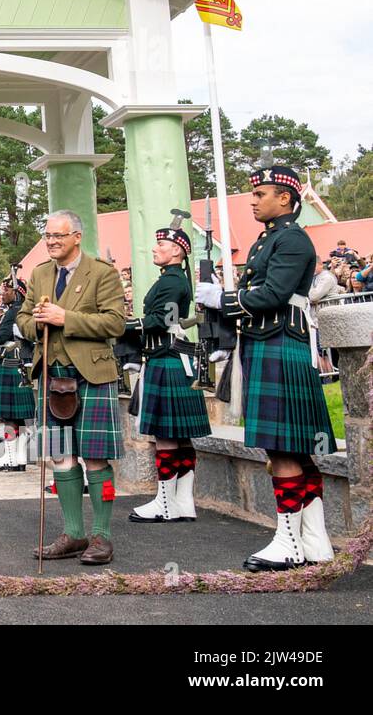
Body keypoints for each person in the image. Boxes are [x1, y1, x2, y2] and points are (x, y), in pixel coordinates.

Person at [196, 165, 336, 570]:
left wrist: (222, 300)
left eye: (261, 194)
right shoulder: (270, 239)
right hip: (266, 343)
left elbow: (273, 294)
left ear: (286, 199)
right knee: (292, 449)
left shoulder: (291, 239)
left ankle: (288, 542)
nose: (253, 200)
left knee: (285, 449)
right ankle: (315, 541)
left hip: (280, 342)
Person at [18, 210, 127, 565]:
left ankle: (103, 536)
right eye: (48, 236)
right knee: (61, 456)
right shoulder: (39, 273)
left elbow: (116, 323)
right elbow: (21, 318)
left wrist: (67, 319)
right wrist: (35, 323)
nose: (51, 242)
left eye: (58, 236)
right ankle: (74, 533)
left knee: (95, 456)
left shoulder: (102, 273)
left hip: (92, 375)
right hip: (52, 374)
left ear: (77, 237)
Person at [130, 216, 209, 524]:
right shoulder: (174, 279)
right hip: (175, 357)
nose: (155, 249)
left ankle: (165, 503)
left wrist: (127, 326)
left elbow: (160, 320)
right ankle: (183, 501)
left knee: (165, 434)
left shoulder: (172, 282)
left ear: (177, 251)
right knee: (181, 435)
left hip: (166, 356)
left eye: (161, 244)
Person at [0, 273, 36, 472]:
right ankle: (17, 457)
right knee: (19, 417)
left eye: (6, 290)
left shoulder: (15, 310)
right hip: (20, 364)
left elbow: (2, 336)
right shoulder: (18, 310)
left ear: (17, 292)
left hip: (12, 363)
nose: (1, 293)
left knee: (9, 417)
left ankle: (12, 458)